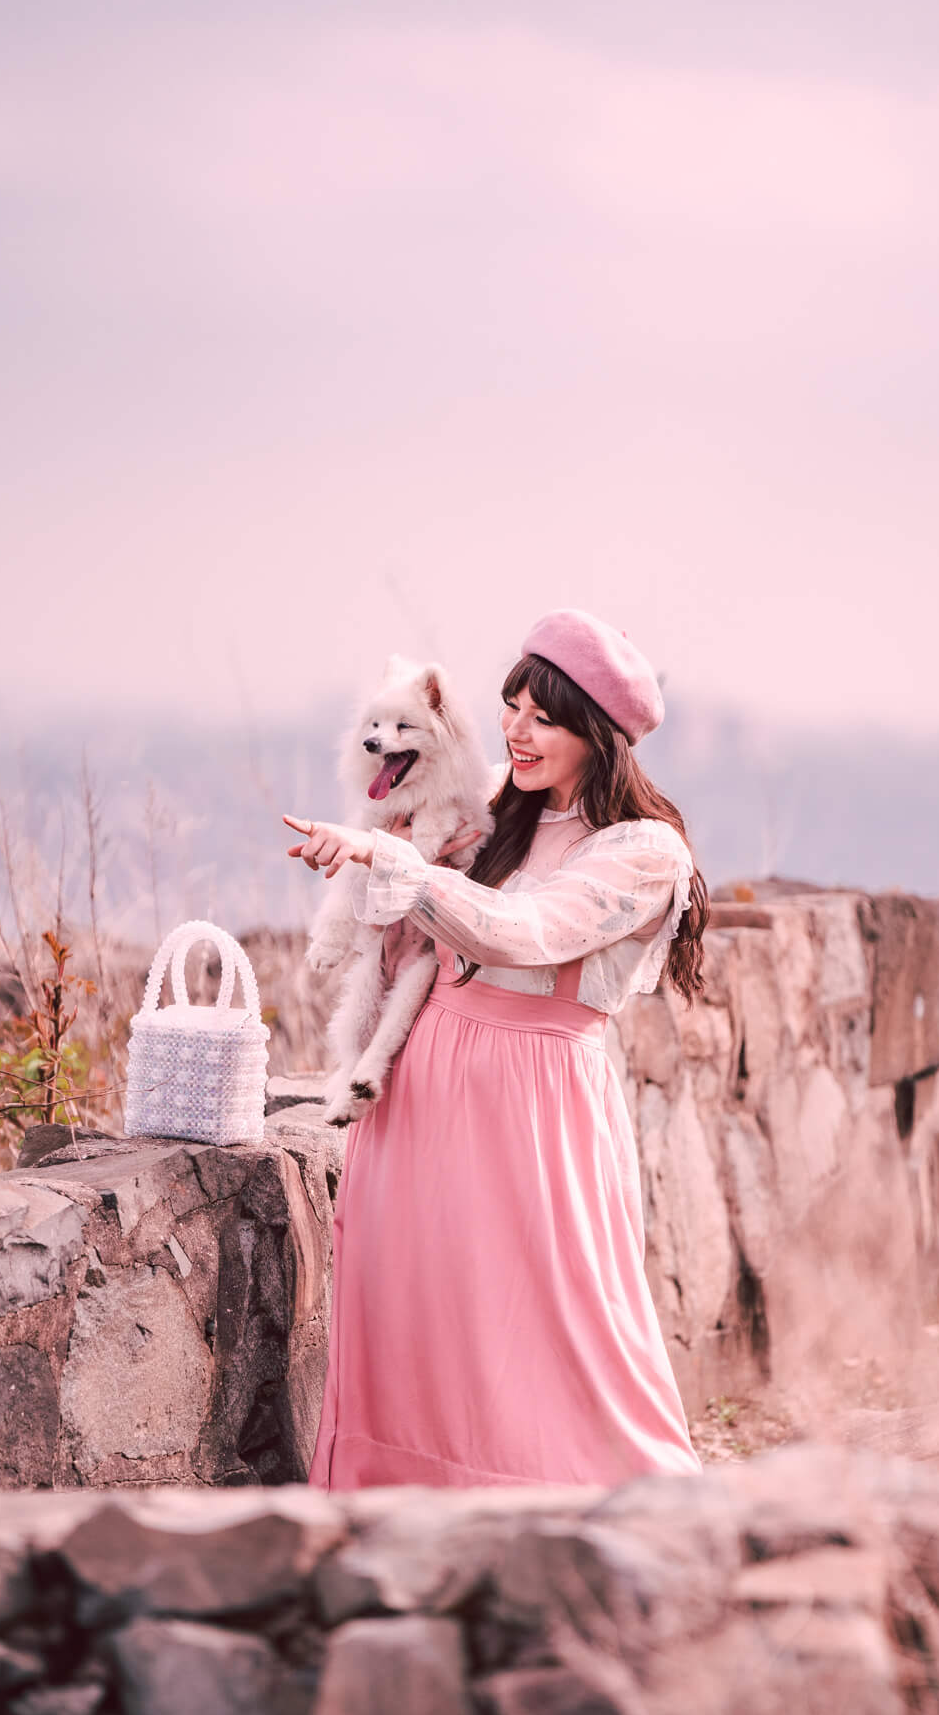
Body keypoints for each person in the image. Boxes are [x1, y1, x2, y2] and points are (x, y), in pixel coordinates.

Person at [285, 609, 707, 1488]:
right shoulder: (489, 813)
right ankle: (398, 1510)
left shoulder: (640, 851)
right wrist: (369, 849)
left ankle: (599, 1515)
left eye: (544, 717)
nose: (517, 730)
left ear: (600, 734)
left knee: (549, 1321)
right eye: (512, 706)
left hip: (533, 1106)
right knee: (412, 1308)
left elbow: (525, 931)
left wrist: (387, 861)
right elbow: (406, 903)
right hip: (421, 1088)